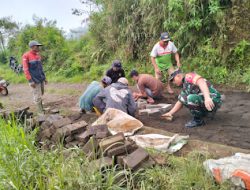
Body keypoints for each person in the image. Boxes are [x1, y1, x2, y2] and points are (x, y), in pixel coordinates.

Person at [22, 40, 47, 114]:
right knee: (37, 95)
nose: (39, 47)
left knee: (41, 93)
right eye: (37, 46)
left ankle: (42, 108)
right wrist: (30, 80)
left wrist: (44, 78)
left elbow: (40, 68)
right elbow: (25, 69)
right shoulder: (26, 56)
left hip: (40, 78)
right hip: (34, 80)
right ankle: (40, 112)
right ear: (32, 47)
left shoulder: (37, 55)